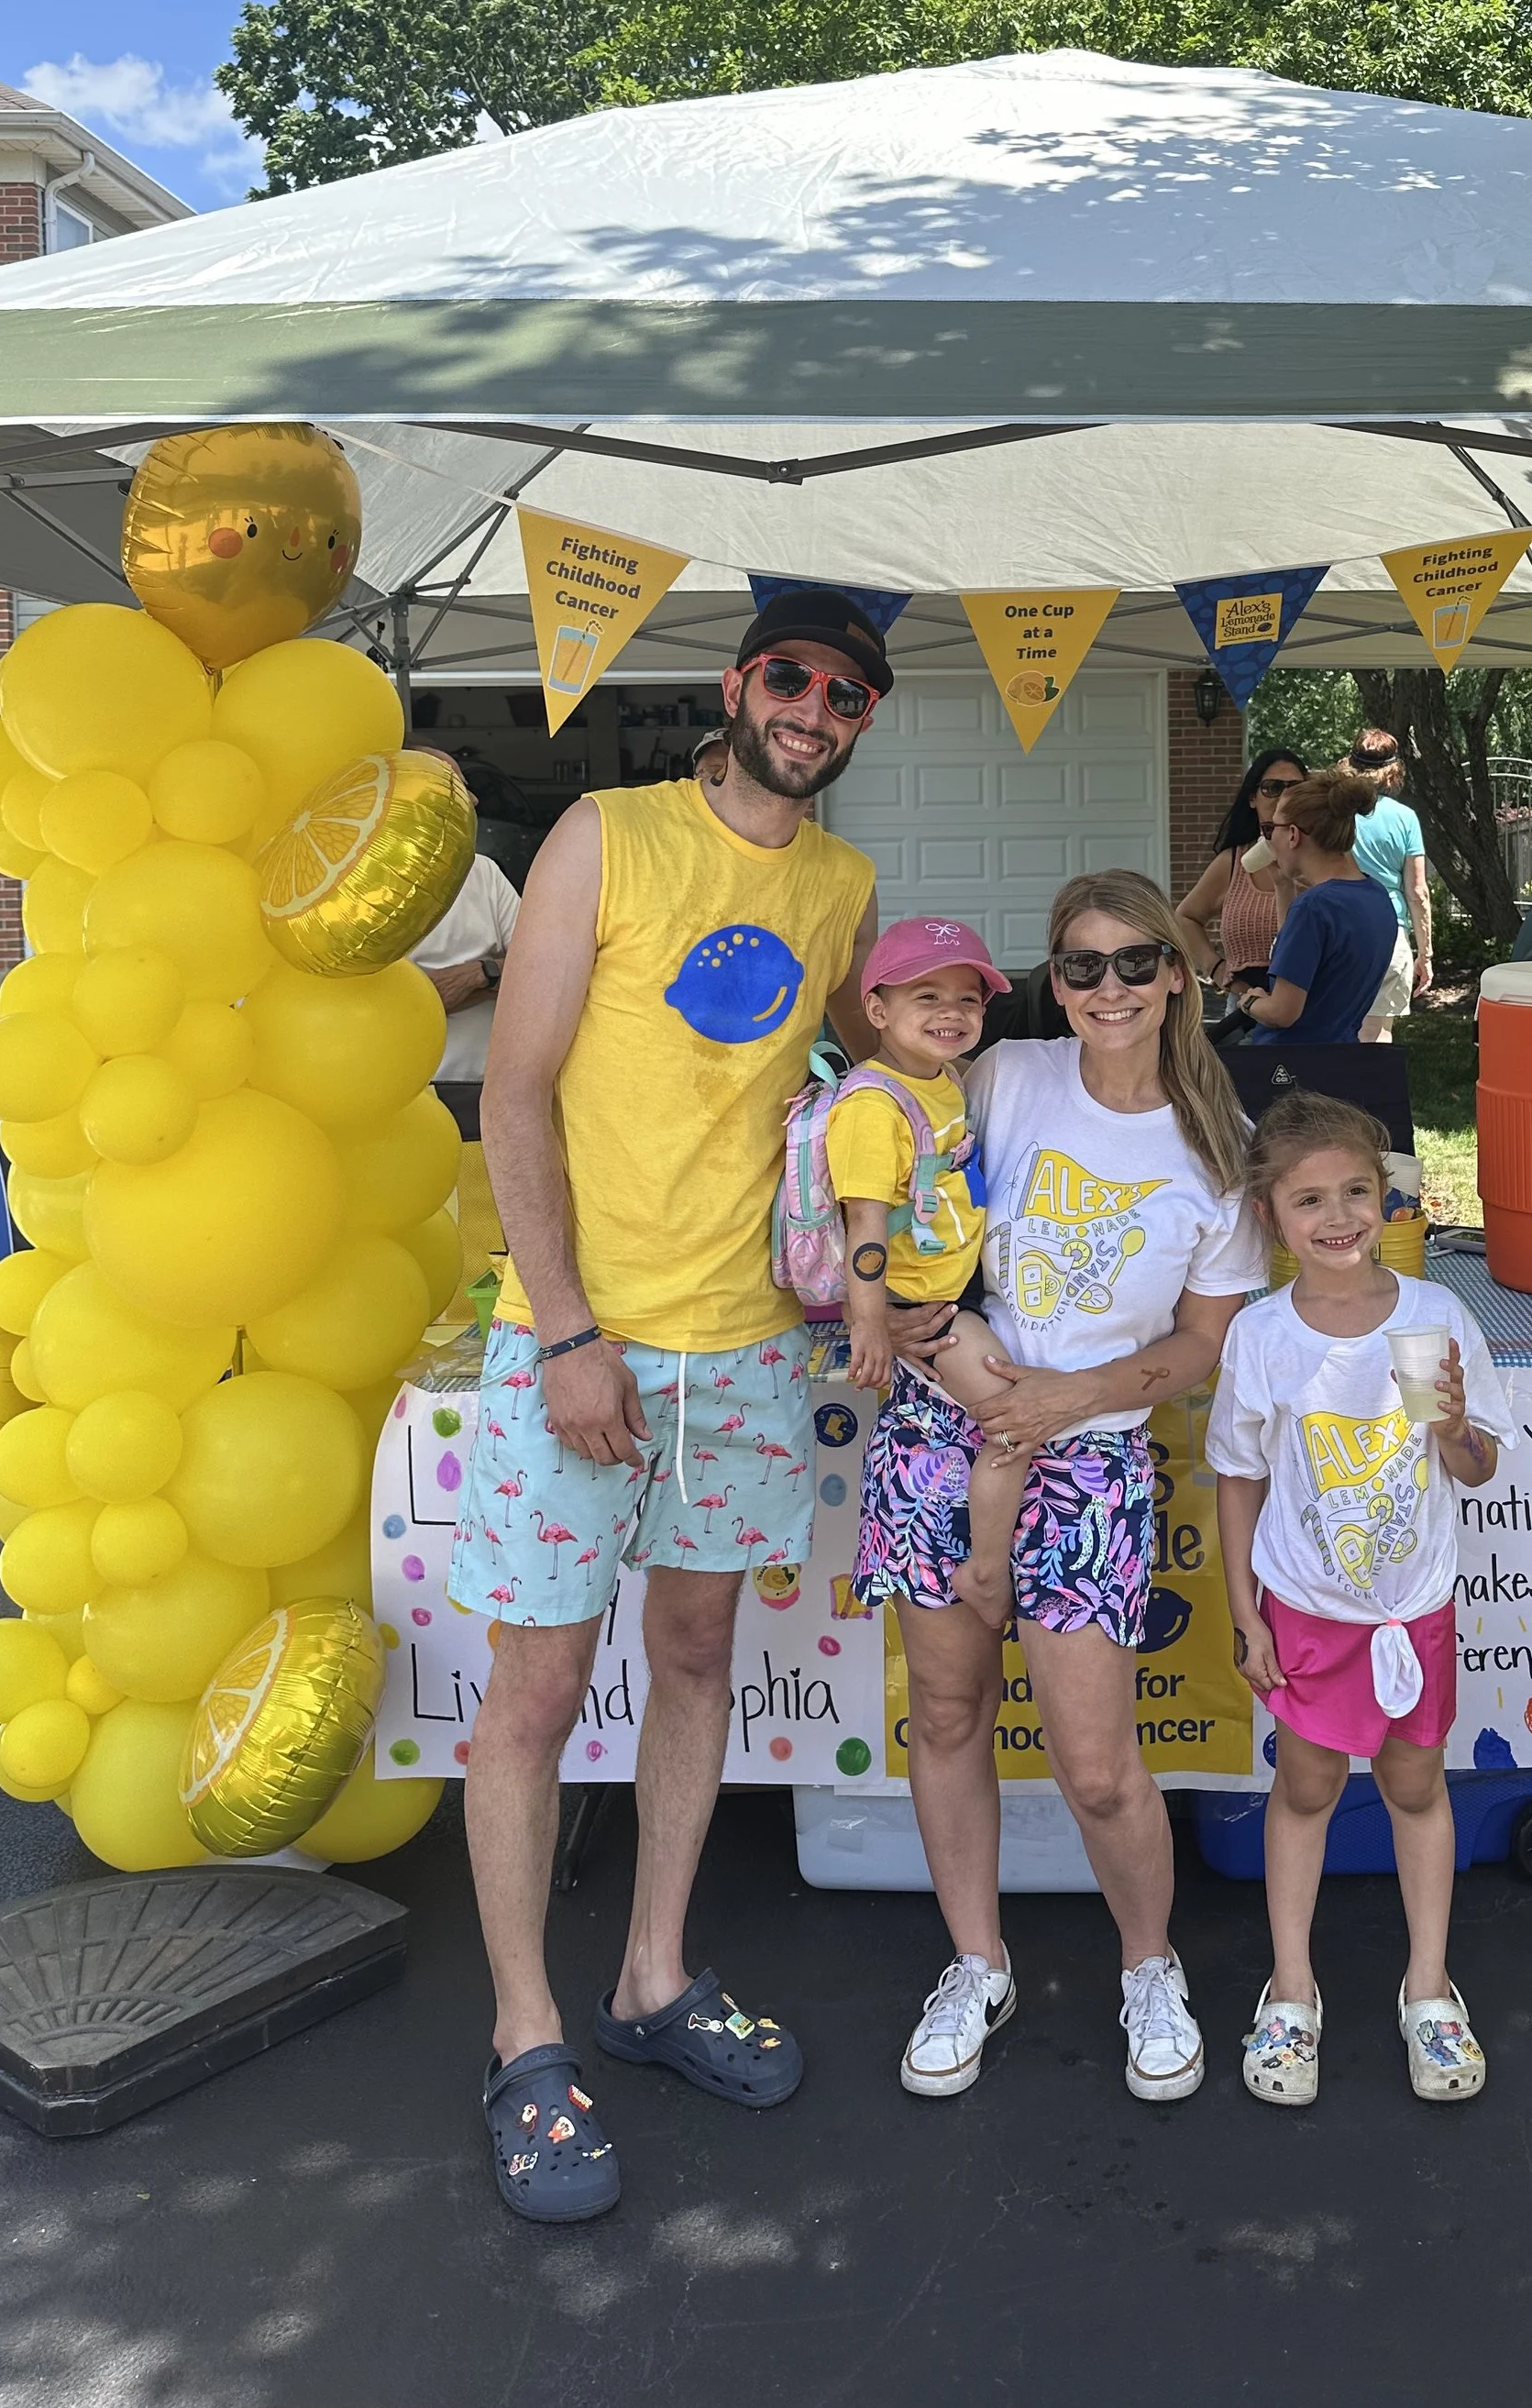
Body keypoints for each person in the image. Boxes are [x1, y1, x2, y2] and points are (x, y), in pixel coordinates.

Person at [457, 586, 941, 2225]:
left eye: (847, 694)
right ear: (738, 685)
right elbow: (511, 1090)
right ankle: (527, 2036)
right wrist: (572, 1328)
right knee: (532, 1691)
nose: (814, 708)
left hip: (745, 1350)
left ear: (861, 722)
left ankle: (652, 1977)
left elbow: (851, 1096)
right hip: (578, 1341)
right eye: (792, 677)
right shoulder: (601, 832)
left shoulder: (843, 883)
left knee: (692, 1656)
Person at [853, 871, 1264, 2104]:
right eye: (1079, 966)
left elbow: (1202, 1345)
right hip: (941, 1427)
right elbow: (909, 1214)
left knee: (1095, 1761)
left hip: (1091, 1459)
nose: (1108, 988)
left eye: (1134, 961)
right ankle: (977, 1960)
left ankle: (1150, 1963)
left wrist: (1063, 1401)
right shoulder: (1000, 1076)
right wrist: (948, 1351)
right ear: (1055, 981)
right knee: (946, 1713)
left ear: (1179, 973)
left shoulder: (1219, 1148)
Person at [1209, 1091, 1511, 2109]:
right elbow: (1239, 1478)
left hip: (1410, 1610)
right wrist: (1247, 1614)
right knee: (1304, 1790)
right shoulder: (1260, 1337)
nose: (1336, 1217)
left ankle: (1428, 1986)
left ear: (1385, 1200)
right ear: (1272, 1218)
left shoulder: (1434, 1319)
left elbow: (1471, 1470)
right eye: (1308, 1201)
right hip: (1304, 1610)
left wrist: (1456, 1431)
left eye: (1354, 1193)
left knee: (1416, 1787)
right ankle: (1290, 1988)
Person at [816, 916, 1027, 1628]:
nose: (951, 1013)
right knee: (1010, 1422)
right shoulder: (875, 1106)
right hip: (923, 1305)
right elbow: (866, 1228)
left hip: (956, 1287)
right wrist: (869, 1322)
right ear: (876, 1009)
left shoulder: (941, 1079)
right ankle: (985, 1571)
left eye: (967, 999)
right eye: (926, 996)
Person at [1243, 772, 1398, 1044]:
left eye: (1270, 829)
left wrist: (1250, 1002)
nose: (1268, 839)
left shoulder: (1314, 908)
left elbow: (1282, 1012)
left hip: (1289, 1067)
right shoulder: (1376, 896)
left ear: (1293, 835)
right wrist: (1283, 887)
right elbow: (1299, 958)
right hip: (1339, 1059)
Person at [1174, 747, 1306, 991]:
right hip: (1244, 1010)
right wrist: (1216, 969)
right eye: (1272, 788)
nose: (1285, 798)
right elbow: (1185, 917)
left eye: (1295, 789)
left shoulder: (1319, 859)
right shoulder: (1233, 862)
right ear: (1252, 798)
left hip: (1311, 1008)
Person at [410, 845, 523, 1110]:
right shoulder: (359, 886)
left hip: (493, 1089)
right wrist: (498, 978)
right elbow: (395, 1005)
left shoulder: (482, 871)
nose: (474, 801)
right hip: (410, 1096)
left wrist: (478, 975)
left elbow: (542, 969)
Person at [1345, 730, 1433, 1041]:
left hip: (1337, 929)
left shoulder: (1335, 814)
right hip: (1388, 931)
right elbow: (1418, 892)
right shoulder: (1405, 818)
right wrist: (1425, 954)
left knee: (1333, 1030)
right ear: (1393, 772)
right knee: (1377, 1034)